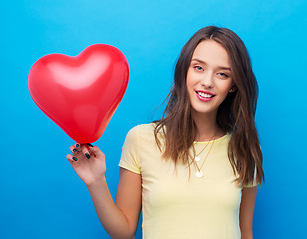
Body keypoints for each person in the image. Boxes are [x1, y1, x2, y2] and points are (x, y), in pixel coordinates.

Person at [66, 26, 265, 239]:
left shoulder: (244, 148)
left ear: (233, 85)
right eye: (198, 68)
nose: (207, 82)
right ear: (184, 71)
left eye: (222, 74)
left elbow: (245, 232)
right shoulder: (141, 139)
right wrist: (95, 181)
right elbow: (124, 232)